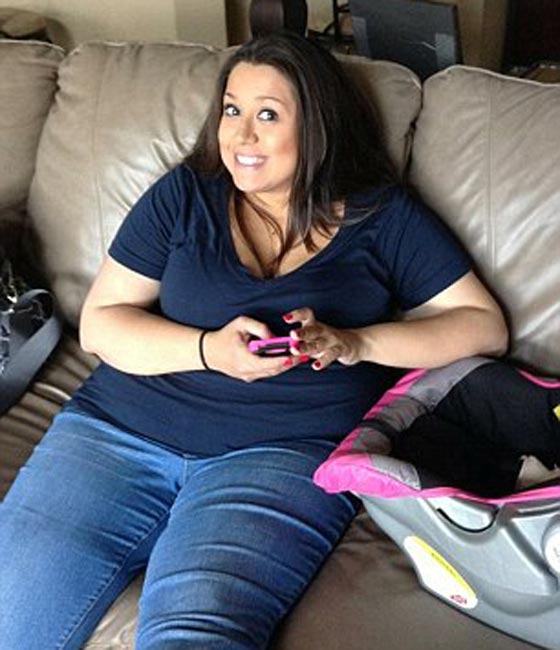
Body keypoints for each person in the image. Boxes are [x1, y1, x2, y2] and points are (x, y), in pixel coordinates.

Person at [0, 32, 508, 649]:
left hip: (281, 454)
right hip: (114, 433)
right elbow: (103, 322)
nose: (240, 135)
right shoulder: (185, 195)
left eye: (267, 115)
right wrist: (208, 350)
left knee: (195, 635)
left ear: (317, 126)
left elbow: (483, 326)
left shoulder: (383, 216)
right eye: (231, 110)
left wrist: (356, 343)